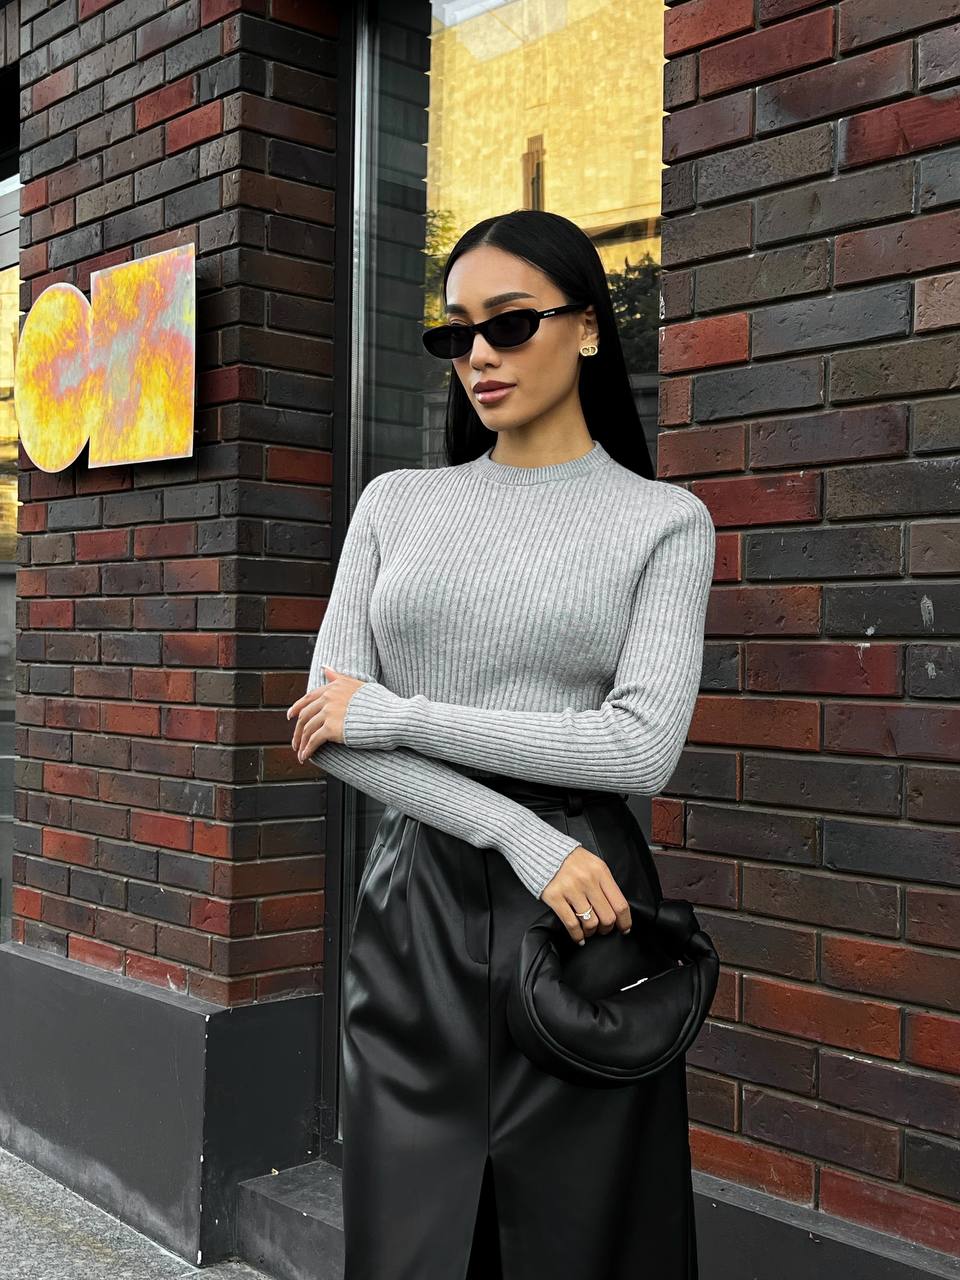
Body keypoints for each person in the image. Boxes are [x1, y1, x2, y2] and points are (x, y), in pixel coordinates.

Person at [287, 208, 716, 1280]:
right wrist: (517, 833)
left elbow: (638, 745)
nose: (479, 353)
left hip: (586, 916)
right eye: (457, 333)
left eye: (511, 322)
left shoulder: (663, 521)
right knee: (408, 1241)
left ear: (586, 329)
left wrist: (401, 712)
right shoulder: (398, 503)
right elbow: (326, 728)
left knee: (586, 1240)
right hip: (422, 903)